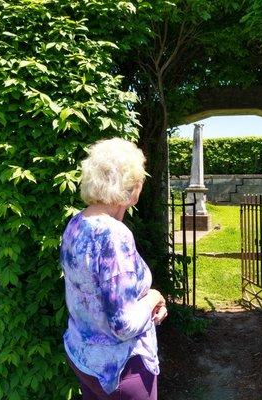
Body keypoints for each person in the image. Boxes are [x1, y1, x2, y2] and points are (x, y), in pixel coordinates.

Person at [60, 138, 167, 400]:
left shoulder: (76, 223)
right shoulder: (113, 235)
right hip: (120, 371)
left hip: (85, 360)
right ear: (130, 188)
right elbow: (124, 324)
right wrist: (153, 297)